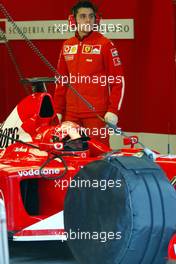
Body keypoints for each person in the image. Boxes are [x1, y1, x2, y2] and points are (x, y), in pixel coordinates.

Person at [54, 0, 125, 146]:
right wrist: (58, 110)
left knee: (99, 157)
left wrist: (113, 111)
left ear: (96, 19)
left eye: (91, 16)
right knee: (69, 155)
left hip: (97, 115)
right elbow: (61, 82)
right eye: (83, 16)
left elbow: (118, 81)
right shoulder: (67, 45)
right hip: (71, 114)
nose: (88, 20)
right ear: (74, 19)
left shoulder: (105, 44)